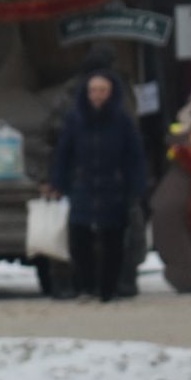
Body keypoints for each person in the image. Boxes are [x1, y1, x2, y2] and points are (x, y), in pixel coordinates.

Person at [47, 69, 148, 302]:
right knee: (79, 240)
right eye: (94, 90)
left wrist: (136, 185)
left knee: (114, 240)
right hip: (83, 184)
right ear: (86, 92)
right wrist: (58, 182)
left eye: (103, 90)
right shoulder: (75, 119)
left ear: (111, 93)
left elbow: (135, 155)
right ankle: (85, 287)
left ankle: (108, 290)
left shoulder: (122, 120)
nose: (98, 95)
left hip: (113, 186)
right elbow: (63, 153)